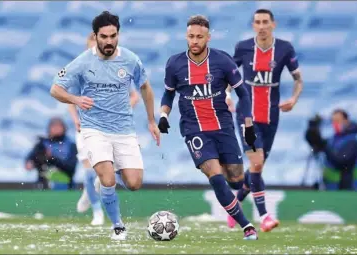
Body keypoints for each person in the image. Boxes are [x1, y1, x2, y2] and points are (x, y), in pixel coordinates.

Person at [50, 11, 160, 240]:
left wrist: (151, 120)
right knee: (108, 179)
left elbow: (146, 89)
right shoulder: (82, 62)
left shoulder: (130, 59)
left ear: (118, 34)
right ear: (96, 36)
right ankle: (118, 225)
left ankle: (103, 175)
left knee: (134, 183)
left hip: (124, 130)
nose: (109, 41)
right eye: (104, 36)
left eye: (113, 36)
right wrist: (76, 99)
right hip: (94, 129)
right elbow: (55, 88)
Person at [158, 15, 258, 240]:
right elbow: (168, 93)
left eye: (199, 37)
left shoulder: (223, 61)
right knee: (214, 173)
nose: (194, 41)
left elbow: (242, 92)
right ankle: (247, 226)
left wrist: (248, 123)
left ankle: (243, 189)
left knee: (235, 178)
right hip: (194, 129)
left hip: (223, 127)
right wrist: (164, 114)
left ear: (208, 38)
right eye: (191, 36)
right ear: (186, 36)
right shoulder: (175, 64)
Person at [226, 9, 304, 231]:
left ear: (273, 24)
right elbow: (228, 76)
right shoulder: (243, 47)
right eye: (257, 22)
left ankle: (234, 204)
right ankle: (264, 217)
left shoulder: (284, 49)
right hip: (246, 115)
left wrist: (294, 99)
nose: (261, 26)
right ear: (253, 25)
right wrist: (227, 95)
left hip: (271, 116)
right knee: (257, 163)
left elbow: (298, 79)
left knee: (256, 168)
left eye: (265, 22)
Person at [70, 33, 140, 226]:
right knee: (89, 169)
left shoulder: (116, 68)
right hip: (87, 126)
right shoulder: (80, 68)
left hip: (112, 127)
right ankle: (97, 212)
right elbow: (69, 97)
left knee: (104, 171)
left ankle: (90, 191)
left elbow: (135, 96)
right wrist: (75, 118)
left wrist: (120, 112)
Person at [305, 109, 357, 190]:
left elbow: (340, 161)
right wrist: (313, 128)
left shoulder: (352, 141)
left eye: (338, 120)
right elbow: (316, 144)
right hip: (330, 187)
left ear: (346, 121)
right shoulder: (332, 139)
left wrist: (325, 146)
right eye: (333, 121)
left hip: (347, 188)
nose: (335, 124)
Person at [25, 117, 77, 190]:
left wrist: (51, 158)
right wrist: (30, 162)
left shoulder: (71, 145)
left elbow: (71, 168)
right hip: (43, 184)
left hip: (65, 184)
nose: (56, 128)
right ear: (49, 128)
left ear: (64, 128)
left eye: (58, 126)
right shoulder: (42, 144)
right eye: (53, 126)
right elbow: (31, 158)